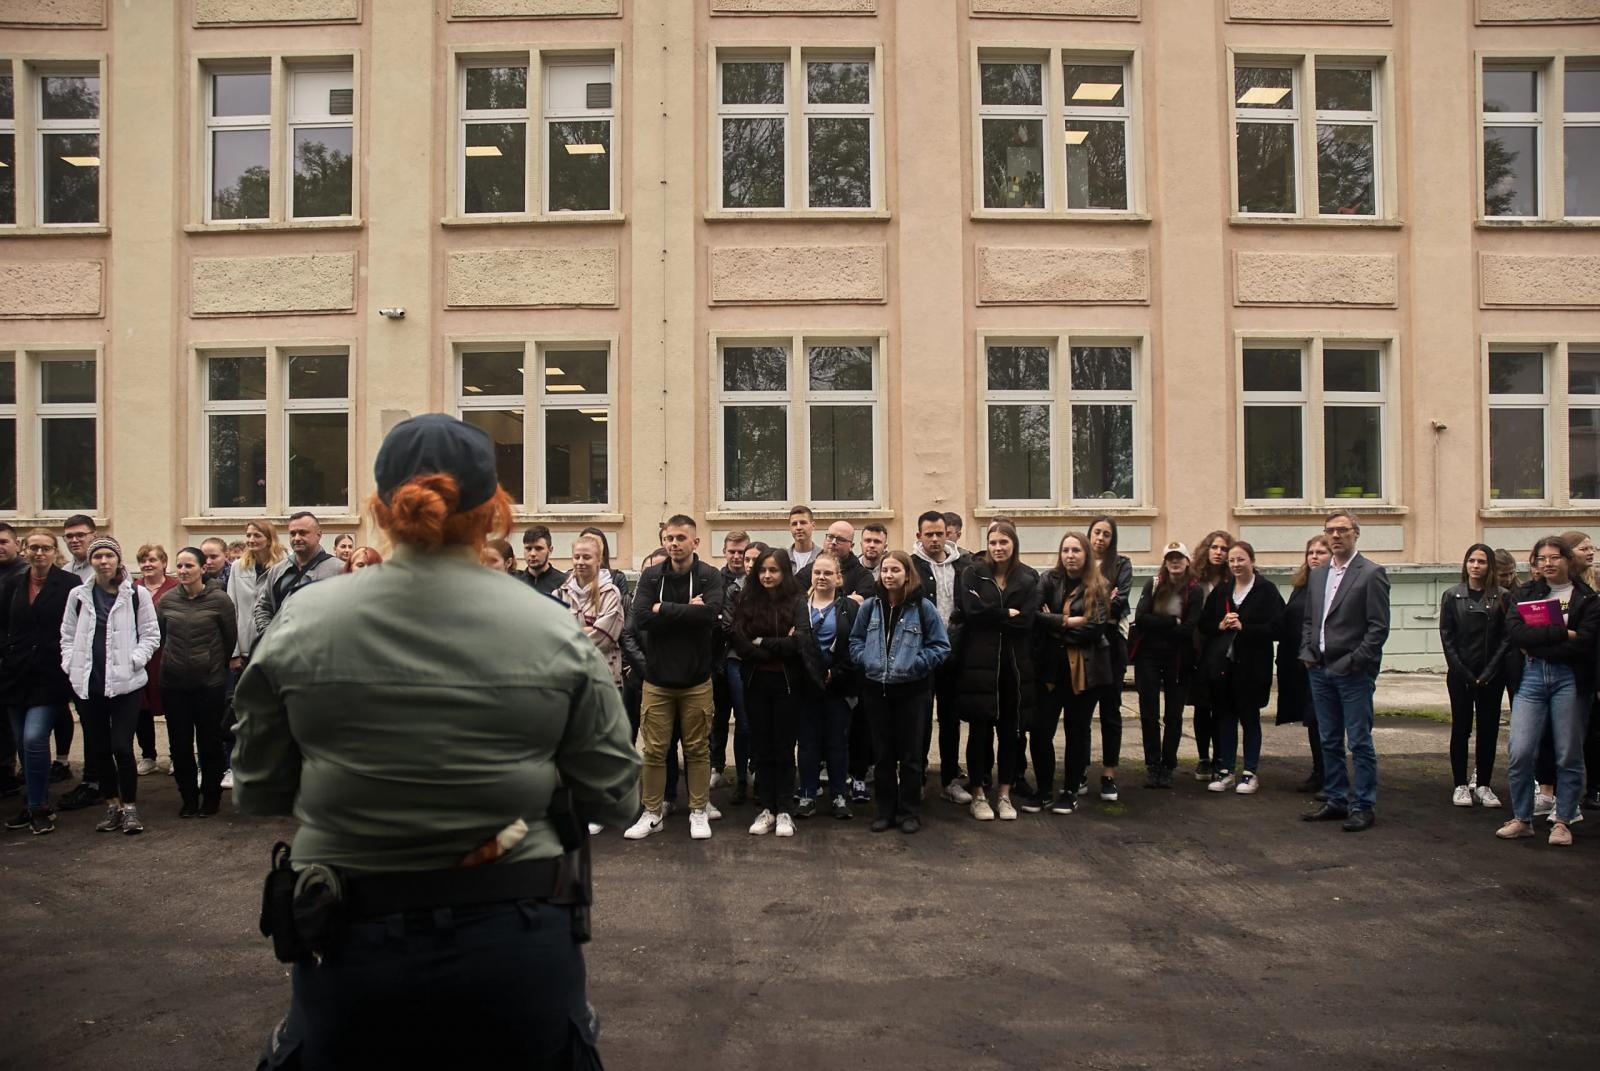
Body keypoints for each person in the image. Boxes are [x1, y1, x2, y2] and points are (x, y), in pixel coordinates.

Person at [233, 413, 637, 1067]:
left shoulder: (304, 619)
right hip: (515, 939)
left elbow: (257, 788)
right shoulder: (552, 628)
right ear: (494, 512)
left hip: (350, 943)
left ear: (380, 509)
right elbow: (617, 795)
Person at [625, 515, 724, 842]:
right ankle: (652, 813)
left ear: (695, 542)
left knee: (697, 749)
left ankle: (698, 809)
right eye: (669, 538)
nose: (674, 543)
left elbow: (710, 615)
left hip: (696, 680)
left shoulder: (709, 576)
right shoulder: (652, 575)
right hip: (657, 681)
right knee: (653, 751)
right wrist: (684, 609)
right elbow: (640, 618)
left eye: (681, 537)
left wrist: (661, 610)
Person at [1495, 536, 1598, 847]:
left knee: (1568, 753)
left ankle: (1563, 820)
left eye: (1555, 557)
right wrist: (1561, 633)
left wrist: (1540, 640)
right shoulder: (1526, 594)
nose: (1548, 563)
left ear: (1568, 560)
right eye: (1542, 558)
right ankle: (1522, 819)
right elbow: (1516, 632)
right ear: (1535, 563)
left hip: (1570, 679)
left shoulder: (1587, 599)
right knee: (1521, 750)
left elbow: (1585, 642)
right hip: (1532, 678)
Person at [59, 536, 161, 836]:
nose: (103, 561)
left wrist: (135, 660)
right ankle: (112, 805)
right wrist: (70, 663)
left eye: (109, 556)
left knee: (121, 747)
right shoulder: (78, 595)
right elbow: (66, 634)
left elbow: (151, 635)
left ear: (118, 560)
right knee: (99, 748)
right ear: (91, 562)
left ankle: (130, 807)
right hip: (88, 684)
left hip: (126, 684)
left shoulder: (135, 595)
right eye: (98, 557)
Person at [1300, 512, 1391, 833]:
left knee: (1360, 742)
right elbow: (1311, 618)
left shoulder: (1371, 574)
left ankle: (1363, 805)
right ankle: (1337, 799)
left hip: (1352, 672)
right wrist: (1308, 651)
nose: (1336, 535)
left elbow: (1378, 629)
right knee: (1328, 739)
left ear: (1356, 534)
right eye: (1330, 531)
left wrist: (1355, 661)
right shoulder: (1318, 574)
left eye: (1342, 530)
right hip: (1319, 668)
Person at [850, 550, 950, 833]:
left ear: (907, 574)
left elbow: (941, 646)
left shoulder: (922, 608)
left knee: (910, 756)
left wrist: (916, 665)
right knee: (882, 755)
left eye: (895, 570)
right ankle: (884, 810)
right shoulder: (870, 607)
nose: (889, 575)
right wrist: (866, 659)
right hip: (876, 691)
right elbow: (855, 640)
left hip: (912, 692)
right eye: (885, 571)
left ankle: (909, 812)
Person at [954, 522, 1039, 821]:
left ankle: (1004, 794)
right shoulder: (972, 573)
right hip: (980, 665)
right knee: (979, 732)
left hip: (1015, 668)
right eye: (993, 542)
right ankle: (978, 793)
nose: (998, 547)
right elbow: (971, 614)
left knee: (1011, 733)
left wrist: (993, 615)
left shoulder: (1029, 577)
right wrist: (1004, 613)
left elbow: (1027, 621)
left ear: (1014, 544)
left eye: (1004, 541)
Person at [1, 530, 80, 834]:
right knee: (23, 743)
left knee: (34, 738)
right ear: (24, 550)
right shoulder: (12, 584)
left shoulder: (69, 585)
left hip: (49, 676)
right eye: (33, 547)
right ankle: (34, 800)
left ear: (55, 552)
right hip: (15, 675)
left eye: (46, 548)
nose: (39, 553)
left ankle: (39, 806)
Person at [728, 549, 810, 838]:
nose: (766, 575)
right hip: (755, 683)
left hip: (787, 684)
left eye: (773, 570)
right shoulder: (747, 600)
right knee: (762, 747)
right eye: (762, 570)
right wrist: (772, 646)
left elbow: (799, 641)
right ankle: (767, 808)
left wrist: (762, 640)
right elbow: (739, 639)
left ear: (783, 573)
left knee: (784, 748)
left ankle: (785, 809)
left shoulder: (798, 601)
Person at [1030, 532, 1113, 814]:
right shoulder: (1048, 580)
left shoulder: (1098, 585)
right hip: (1050, 670)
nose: (1070, 555)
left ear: (1086, 554)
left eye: (1076, 550)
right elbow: (1033, 616)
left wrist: (1055, 626)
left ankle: (1069, 790)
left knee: (1077, 731)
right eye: (1065, 550)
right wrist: (1067, 621)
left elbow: (1095, 628)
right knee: (1041, 732)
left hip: (1084, 671)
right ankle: (1043, 790)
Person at [156, 547, 236, 818]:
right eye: (179, 566)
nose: (183, 571)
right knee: (179, 744)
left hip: (209, 684)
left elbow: (229, 639)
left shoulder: (220, 600)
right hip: (174, 684)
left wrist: (212, 665)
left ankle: (210, 798)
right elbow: (161, 637)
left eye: (189, 566)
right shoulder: (166, 601)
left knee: (209, 743)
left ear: (203, 568)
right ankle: (188, 797)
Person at [1199, 542, 1284, 796]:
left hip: (1253, 667)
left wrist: (1246, 627)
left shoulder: (1266, 590)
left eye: (1241, 559)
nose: (1236, 564)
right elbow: (1204, 624)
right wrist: (1221, 625)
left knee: (1249, 718)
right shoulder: (1223, 591)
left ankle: (1250, 771)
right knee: (1225, 718)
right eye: (1232, 560)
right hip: (1224, 667)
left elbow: (1279, 628)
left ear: (1252, 561)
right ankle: (1225, 770)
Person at [1439, 543, 1510, 809]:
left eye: (1481, 561)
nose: (1476, 566)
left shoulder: (1502, 596)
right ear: (1465, 564)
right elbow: (1447, 636)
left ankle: (1483, 784)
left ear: (1490, 566)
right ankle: (1459, 783)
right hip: (1461, 674)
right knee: (1461, 727)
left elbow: (1506, 638)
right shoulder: (1452, 595)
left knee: (1489, 729)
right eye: (1472, 560)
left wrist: (1490, 670)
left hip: (1491, 674)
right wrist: (1463, 671)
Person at [911, 510, 974, 803]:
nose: (935, 539)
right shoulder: (911, 566)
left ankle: (950, 779)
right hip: (923, 657)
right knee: (920, 720)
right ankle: (917, 778)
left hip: (956, 655)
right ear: (919, 536)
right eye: (929, 534)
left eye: (940, 533)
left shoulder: (965, 565)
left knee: (950, 719)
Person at [1132, 542, 1203, 790]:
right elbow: (1140, 618)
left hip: (1179, 658)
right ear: (1165, 562)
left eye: (1179, 558)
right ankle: (1152, 765)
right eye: (1170, 558)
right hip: (1148, 657)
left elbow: (1189, 628)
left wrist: (1161, 622)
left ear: (1187, 561)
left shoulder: (1194, 591)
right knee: (1149, 713)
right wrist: (1172, 621)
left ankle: (1168, 766)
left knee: (1173, 715)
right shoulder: (1153, 584)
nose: (1175, 562)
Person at [796, 553, 859, 820]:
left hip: (838, 686)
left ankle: (838, 796)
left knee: (837, 743)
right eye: (817, 573)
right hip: (805, 686)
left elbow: (856, 645)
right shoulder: (798, 608)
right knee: (808, 744)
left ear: (838, 577)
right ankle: (807, 794)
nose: (822, 577)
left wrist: (837, 672)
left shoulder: (850, 608)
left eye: (827, 573)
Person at [1278, 536, 1332, 794]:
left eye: (1321, 552)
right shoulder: (1301, 585)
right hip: (1299, 663)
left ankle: (1331, 776)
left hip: (1323, 663)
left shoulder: (1332, 586)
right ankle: (1318, 771)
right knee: (1311, 721)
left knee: (1324, 721)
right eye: (1311, 552)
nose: (1314, 557)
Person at [1086, 516, 1134, 802]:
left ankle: (1108, 774)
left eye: (1106, 534)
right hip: (1084, 644)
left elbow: (1121, 600)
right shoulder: (1079, 560)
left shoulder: (1122, 564)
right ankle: (1079, 770)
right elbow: (1071, 598)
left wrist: (1091, 601)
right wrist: (1104, 595)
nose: (1101, 538)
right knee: (1081, 713)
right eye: (1096, 532)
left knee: (1110, 711)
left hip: (1112, 645)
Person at [1187, 530, 1233, 782]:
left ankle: (1221, 757)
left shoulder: (1232, 580)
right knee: (1202, 706)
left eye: (1224, 549)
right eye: (1214, 547)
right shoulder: (1196, 579)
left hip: (1223, 650)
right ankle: (1204, 757)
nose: (1219, 552)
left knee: (1222, 706)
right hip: (1198, 649)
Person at [252, 512, 343, 638]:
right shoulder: (277, 571)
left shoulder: (339, 570)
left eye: (303, 533)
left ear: (319, 535)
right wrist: (270, 638)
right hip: (281, 651)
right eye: (292, 533)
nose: (297, 538)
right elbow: (263, 607)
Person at [711, 531, 751, 796]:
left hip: (741, 659)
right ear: (725, 552)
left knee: (745, 718)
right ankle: (716, 766)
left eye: (741, 552)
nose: (737, 557)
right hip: (716, 659)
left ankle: (744, 770)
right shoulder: (715, 579)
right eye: (732, 552)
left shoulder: (753, 581)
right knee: (719, 717)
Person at [133, 544, 178, 777]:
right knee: (141, 707)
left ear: (164, 562)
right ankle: (148, 755)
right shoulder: (132, 589)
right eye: (143, 561)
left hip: (168, 656)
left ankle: (175, 756)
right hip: (140, 658)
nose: (147, 564)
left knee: (173, 709)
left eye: (152, 560)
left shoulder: (176, 587)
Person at [560, 534, 624, 690]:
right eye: (577, 557)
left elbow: (604, 638)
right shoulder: (561, 593)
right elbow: (553, 634)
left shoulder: (610, 593)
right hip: (571, 678)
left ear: (598, 560)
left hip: (603, 679)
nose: (580, 562)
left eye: (587, 557)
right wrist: (589, 628)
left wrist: (569, 633)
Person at [520, 524, 566, 598]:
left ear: (550, 550)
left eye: (538, 548)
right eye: (528, 549)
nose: (532, 554)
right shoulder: (515, 582)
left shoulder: (564, 583)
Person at [61, 514, 96, 583]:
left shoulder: (104, 568)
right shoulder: (65, 571)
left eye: (80, 535)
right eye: (69, 536)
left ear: (94, 536)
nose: (74, 540)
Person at [787, 505, 818, 573]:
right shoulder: (783, 559)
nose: (798, 527)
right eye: (794, 524)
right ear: (790, 528)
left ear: (813, 525)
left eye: (803, 523)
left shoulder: (822, 557)